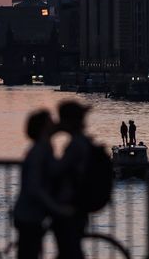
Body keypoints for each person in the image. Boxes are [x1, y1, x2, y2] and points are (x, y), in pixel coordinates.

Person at [13, 109, 68, 259]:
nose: (54, 123)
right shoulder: (40, 151)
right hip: (29, 215)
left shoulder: (44, 147)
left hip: (33, 214)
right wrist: (54, 206)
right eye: (50, 121)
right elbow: (34, 186)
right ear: (44, 127)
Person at [52, 100, 94, 259]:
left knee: (69, 250)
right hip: (77, 206)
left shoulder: (76, 145)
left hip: (70, 207)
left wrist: (48, 136)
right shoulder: (82, 141)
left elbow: (57, 170)